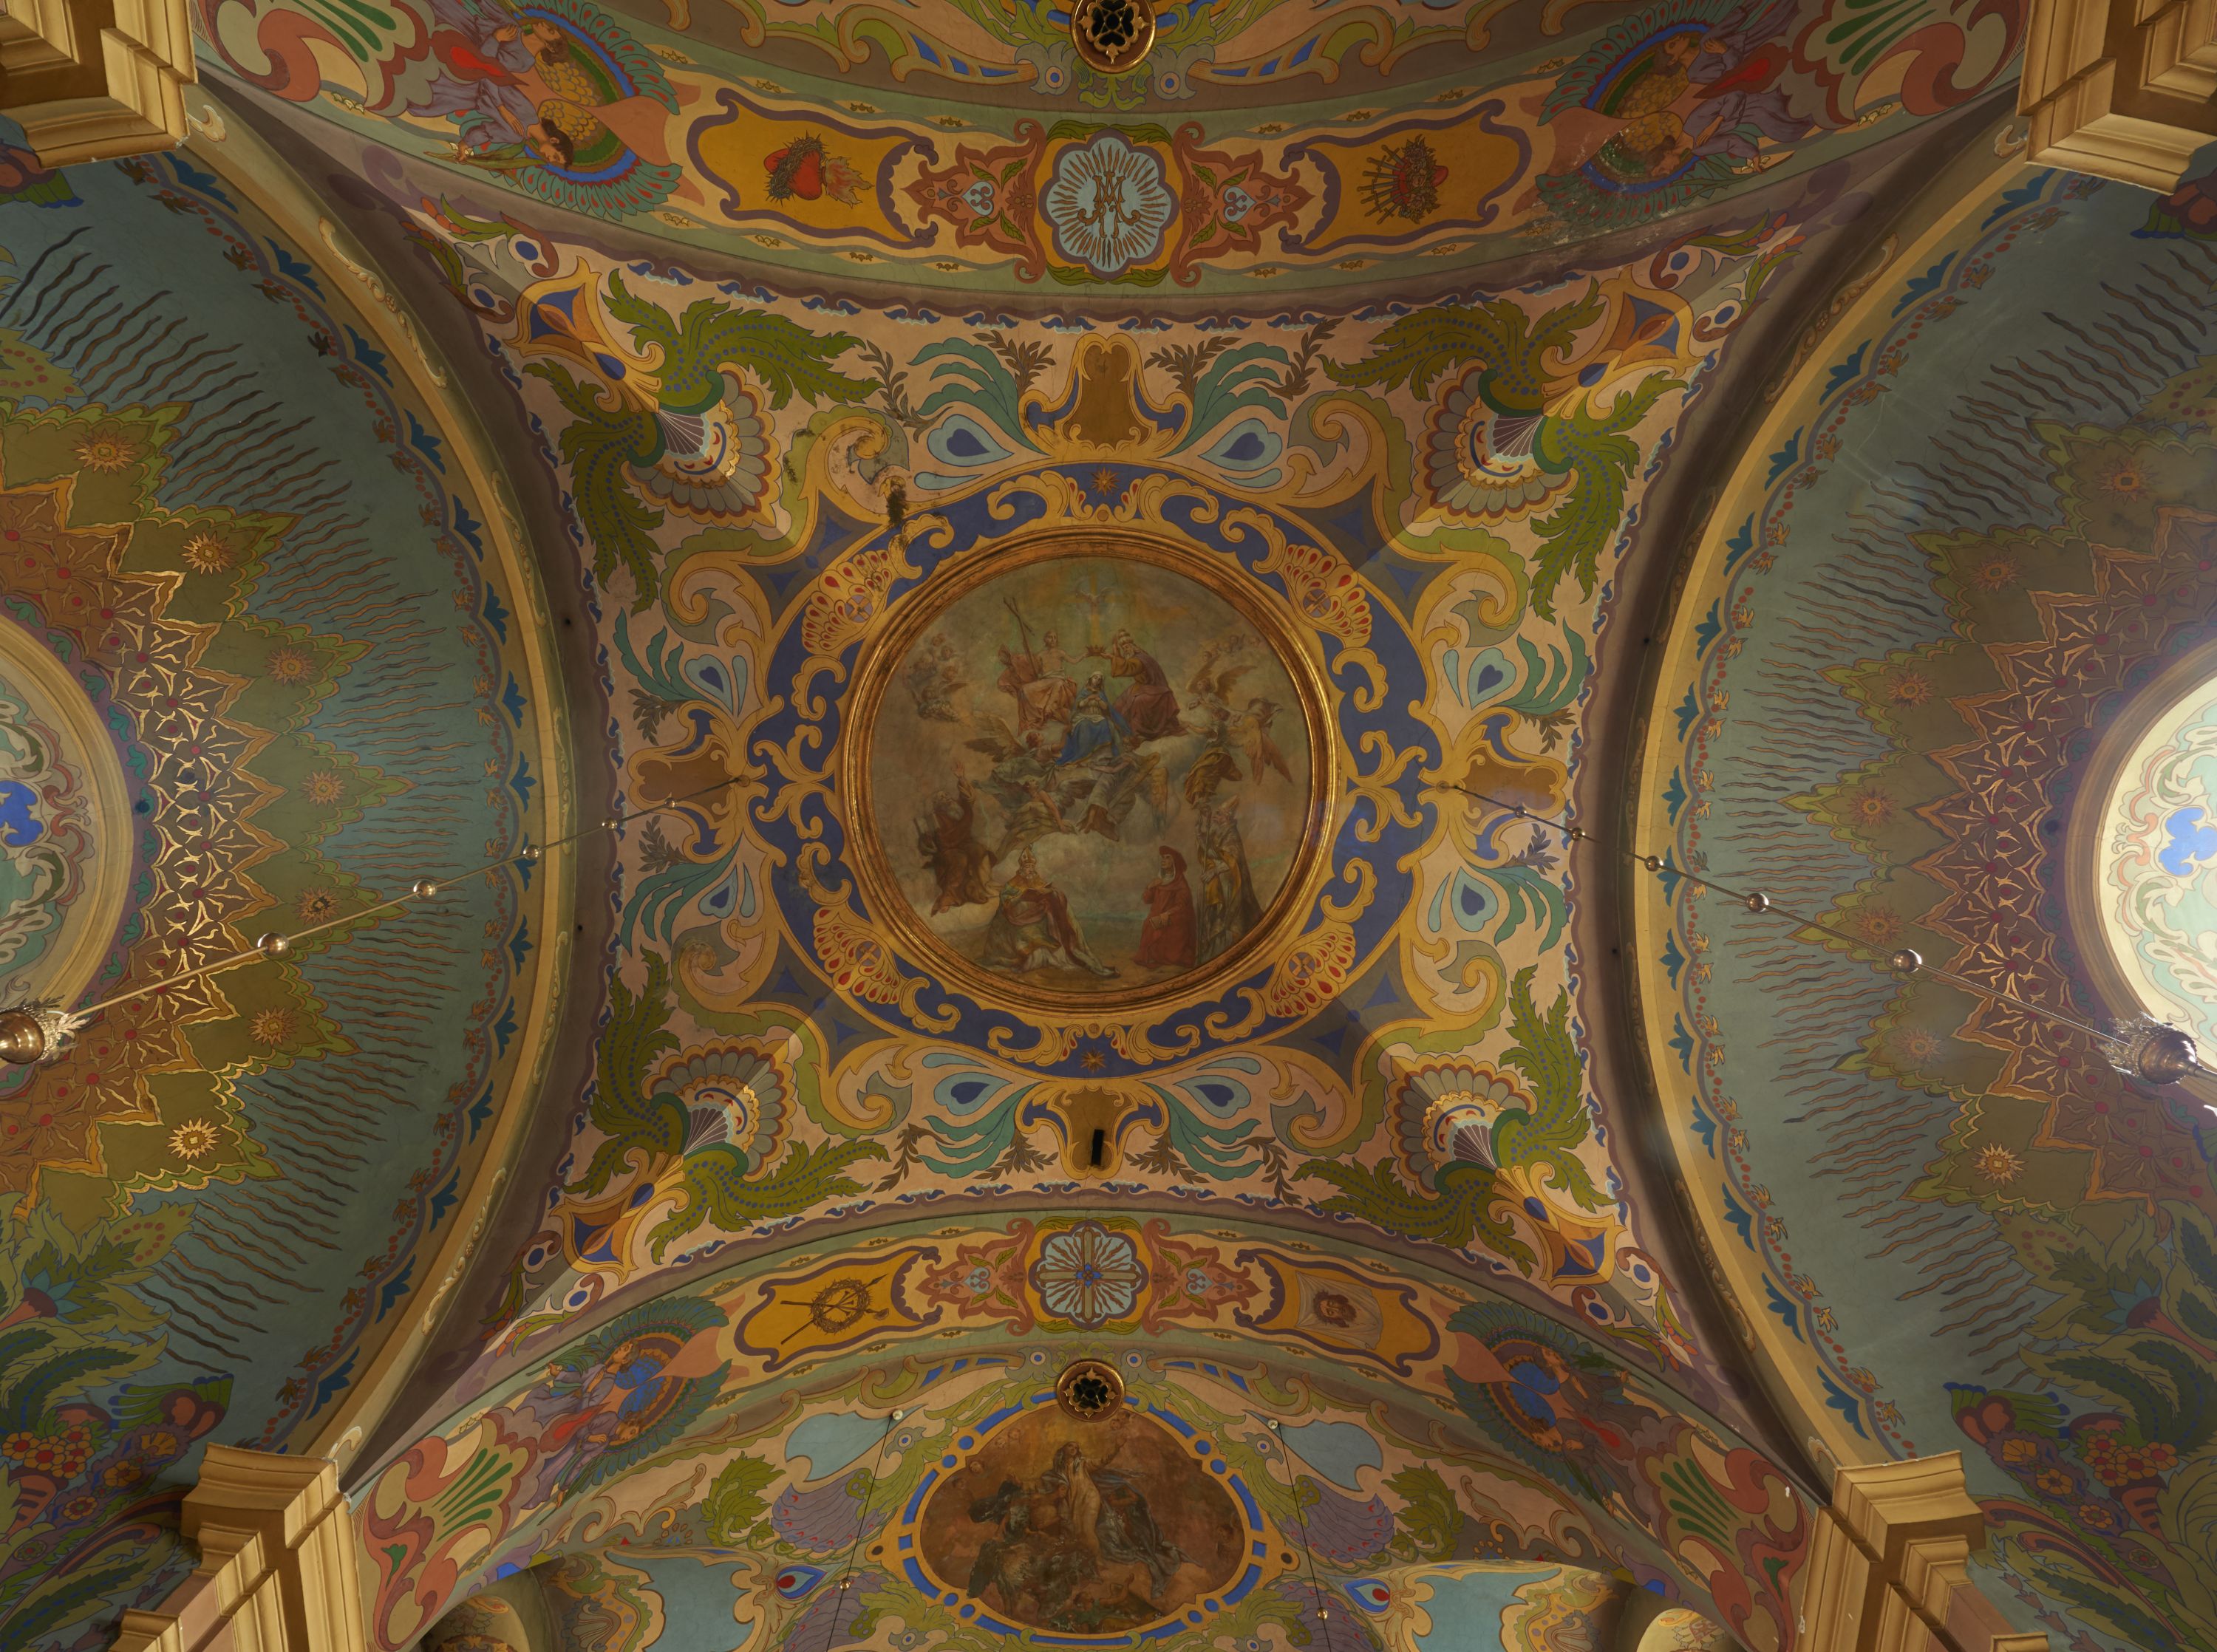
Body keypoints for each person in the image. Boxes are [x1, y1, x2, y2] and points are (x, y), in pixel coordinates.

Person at [980, 849, 1114, 977]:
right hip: (1015, 922)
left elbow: (1045, 891)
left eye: (1032, 867)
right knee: (1029, 938)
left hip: (1037, 919)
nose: (1030, 870)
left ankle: (1069, 952)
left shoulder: (1036, 880)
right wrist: (1022, 896)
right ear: (1021, 869)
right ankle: (1029, 959)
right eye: (1027, 867)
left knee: (1054, 903)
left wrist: (1048, 893)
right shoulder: (1013, 883)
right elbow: (1006, 899)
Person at [916, 774, 994, 912]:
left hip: (964, 843)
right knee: (960, 859)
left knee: (979, 850)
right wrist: (928, 840)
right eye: (942, 798)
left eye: (946, 795)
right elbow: (932, 842)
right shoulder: (936, 817)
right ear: (937, 804)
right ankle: (949, 897)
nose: (946, 798)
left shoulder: (959, 809)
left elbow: (968, 798)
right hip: (947, 850)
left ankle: (984, 886)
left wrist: (961, 778)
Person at [1091, 629, 1181, 741]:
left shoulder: (1140, 659)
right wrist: (1115, 648)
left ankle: (1138, 733)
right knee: (1121, 702)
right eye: (1124, 649)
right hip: (1143, 686)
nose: (1125, 650)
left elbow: (1128, 667)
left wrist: (1111, 657)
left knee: (1138, 701)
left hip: (1156, 689)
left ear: (1133, 646)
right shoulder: (1136, 657)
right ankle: (1116, 728)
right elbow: (1124, 662)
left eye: (1127, 647)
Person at [1135, 846, 1196, 970]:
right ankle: (1153, 955)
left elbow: (1182, 906)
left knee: (1154, 926)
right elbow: (1147, 900)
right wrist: (1150, 886)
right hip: (1159, 917)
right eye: (1163, 858)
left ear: (1174, 862)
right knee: (1149, 923)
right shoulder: (1160, 880)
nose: (1163, 860)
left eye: (1168, 858)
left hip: (1175, 919)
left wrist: (1168, 914)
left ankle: (1165, 956)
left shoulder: (1180, 883)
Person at [1058, 673, 1131, 765]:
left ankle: (1100, 756)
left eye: (1099, 679)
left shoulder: (1100, 693)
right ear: (1090, 679)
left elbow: (1105, 707)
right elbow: (1079, 705)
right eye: (1095, 678)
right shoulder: (1085, 691)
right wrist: (1089, 698)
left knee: (1105, 724)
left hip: (1098, 717)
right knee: (1084, 725)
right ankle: (1083, 754)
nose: (1097, 680)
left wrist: (1098, 699)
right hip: (1084, 716)